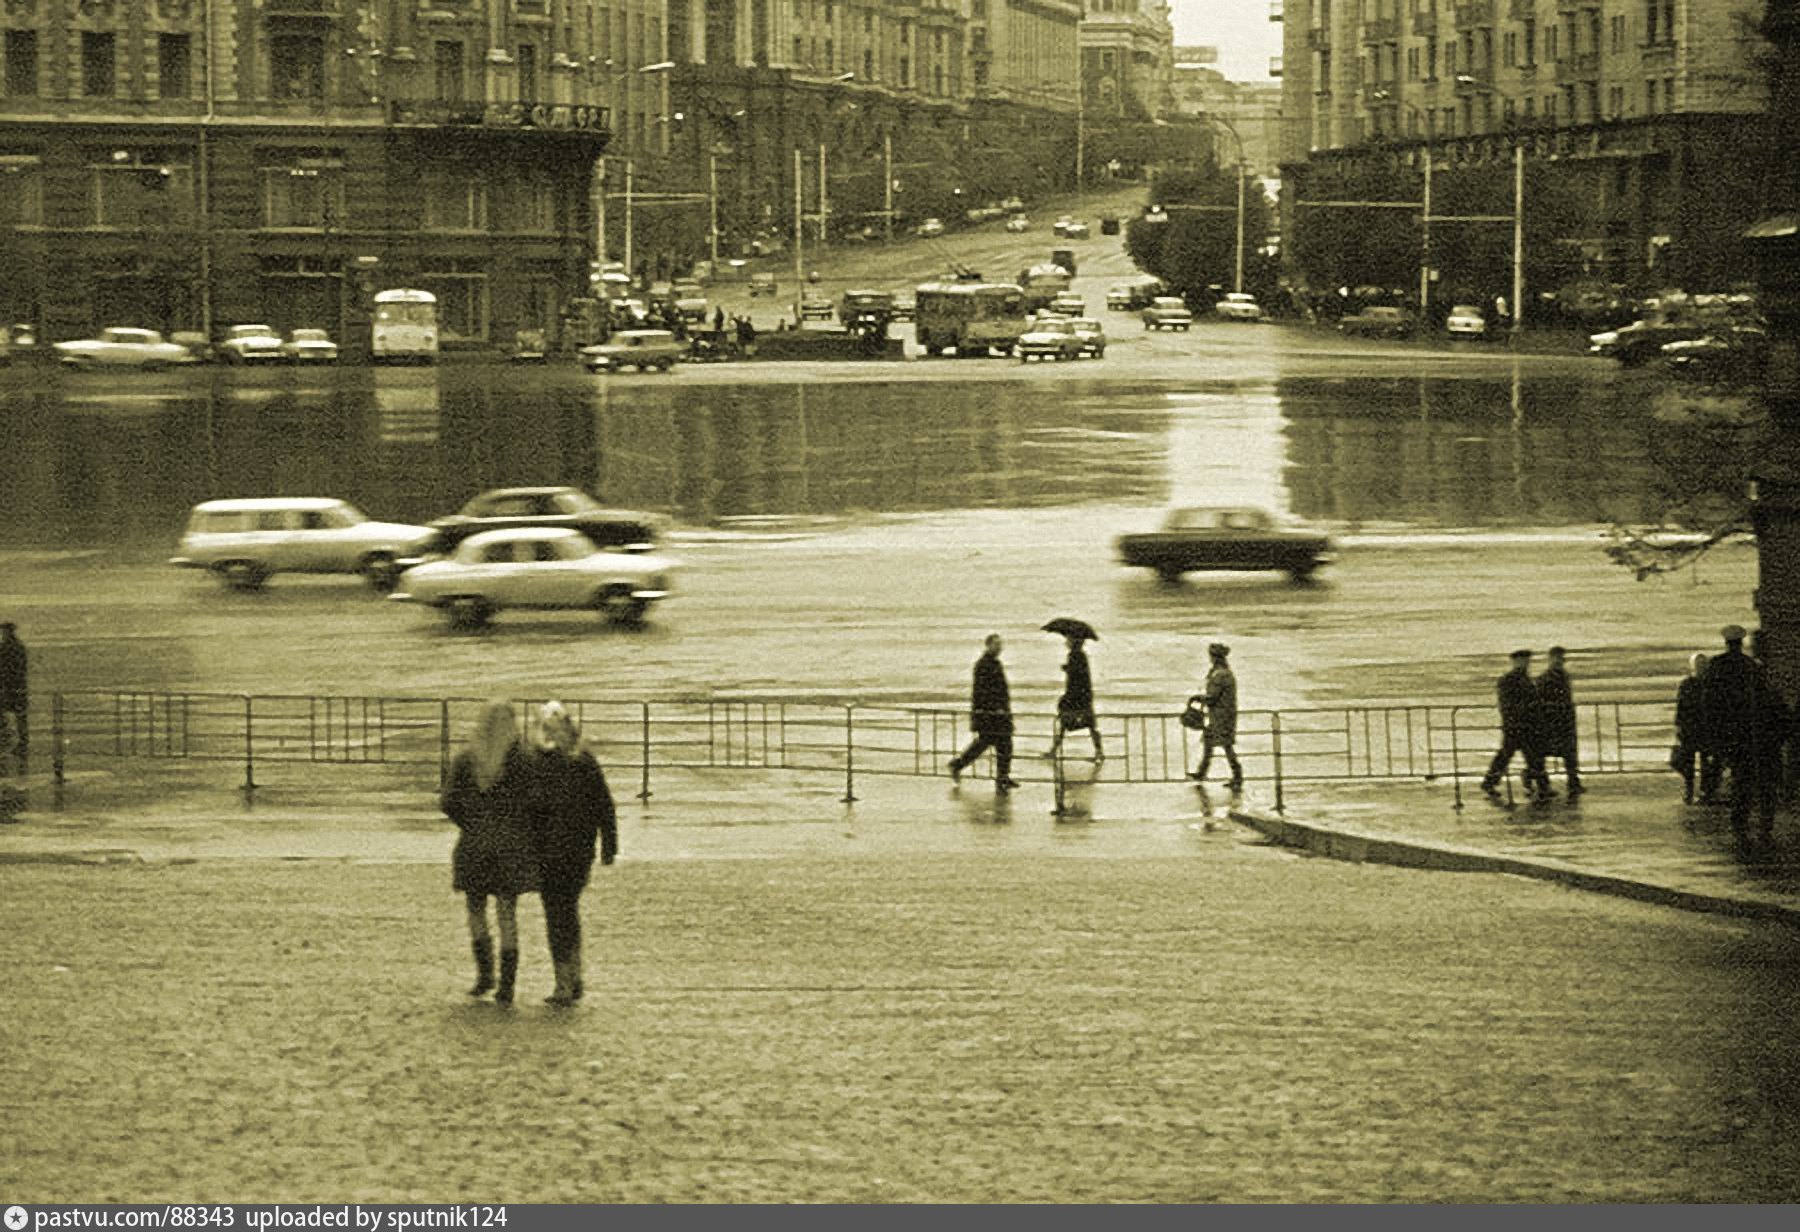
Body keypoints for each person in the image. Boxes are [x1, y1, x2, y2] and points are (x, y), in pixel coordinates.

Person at [440, 701, 540, 1005]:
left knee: (476, 911)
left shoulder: (467, 760)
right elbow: (536, 803)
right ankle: (507, 985)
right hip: (510, 848)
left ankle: (484, 976)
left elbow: (447, 801)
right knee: (507, 914)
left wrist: (470, 824)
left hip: (474, 846)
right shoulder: (523, 762)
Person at [528, 701, 617, 1007]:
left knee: (557, 916)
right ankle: (573, 975)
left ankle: (564, 981)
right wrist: (608, 846)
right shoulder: (585, 761)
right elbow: (604, 805)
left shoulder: (541, 762)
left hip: (551, 853)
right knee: (568, 912)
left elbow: (530, 809)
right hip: (577, 851)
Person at [1700, 625, 1779, 851]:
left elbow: (1710, 703)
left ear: (1726, 643)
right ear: (1742, 644)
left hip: (1729, 733)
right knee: (1759, 781)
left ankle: (1739, 820)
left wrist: (1713, 734)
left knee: (1741, 778)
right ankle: (1762, 823)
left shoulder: (1716, 666)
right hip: (1752, 732)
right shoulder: (1751, 667)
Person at [948, 634, 1019, 792]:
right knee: (990, 744)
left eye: (1000, 645)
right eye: (996, 645)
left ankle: (1002, 777)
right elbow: (981, 691)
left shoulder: (994, 663)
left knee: (999, 744)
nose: (999, 648)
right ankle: (999, 778)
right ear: (988, 646)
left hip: (997, 713)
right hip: (991, 714)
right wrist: (992, 709)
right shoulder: (983, 665)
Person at [1481, 649, 1550, 800]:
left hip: (1519, 725)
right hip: (1519, 725)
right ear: (1516, 661)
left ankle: (1490, 782)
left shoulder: (1518, 679)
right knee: (1524, 755)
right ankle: (1543, 786)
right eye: (1523, 660)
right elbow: (1508, 704)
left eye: (1526, 660)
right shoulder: (1513, 680)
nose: (1526, 663)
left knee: (1516, 755)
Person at [1189, 642, 1242, 790]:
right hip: (1222, 715)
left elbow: (1212, 697)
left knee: (1225, 746)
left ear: (1215, 657)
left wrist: (1198, 698)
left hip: (1222, 717)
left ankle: (1237, 777)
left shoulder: (1221, 675)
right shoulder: (1223, 672)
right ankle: (1203, 772)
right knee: (1212, 744)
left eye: (1211, 656)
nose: (1209, 658)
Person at [1046, 635, 1104, 762]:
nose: (1066, 642)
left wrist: (1067, 668)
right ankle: (1099, 751)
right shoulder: (1081, 655)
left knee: (1063, 721)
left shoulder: (1074, 655)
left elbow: (1075, 675)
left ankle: (1054, 750)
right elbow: (1081, 674)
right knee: (1090, 724)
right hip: (1084, 695)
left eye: (1069, 640)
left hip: (1075, 695)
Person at [1535, 646, 1583, 796]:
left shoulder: (1561, 676)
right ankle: (1543, 782)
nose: (1559, 661)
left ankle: (1572, 782)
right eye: (1557, 658)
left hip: (1563, 722)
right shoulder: (1546, 678)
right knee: (1547, 752)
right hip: (1552, 721)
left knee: (1568, 753)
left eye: (1560, 658)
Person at [1674, 652, 1717, 804]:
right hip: (1696, 729)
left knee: (1703, 763)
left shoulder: (1687, 684)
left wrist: (1678, 726)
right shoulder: (1711, 684)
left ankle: (1697, 791)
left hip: (1698, 729)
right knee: (1693, 763)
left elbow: (1680, 707)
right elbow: (1680, 707)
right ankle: (1694, 790)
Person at [0, 622, 25, 776]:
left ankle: (6, 738)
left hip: (8, 688)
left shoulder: (5, 649)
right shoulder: (18, 647)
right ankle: (21, 742)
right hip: (17, 687)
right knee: (20, 715)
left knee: (8, 713)